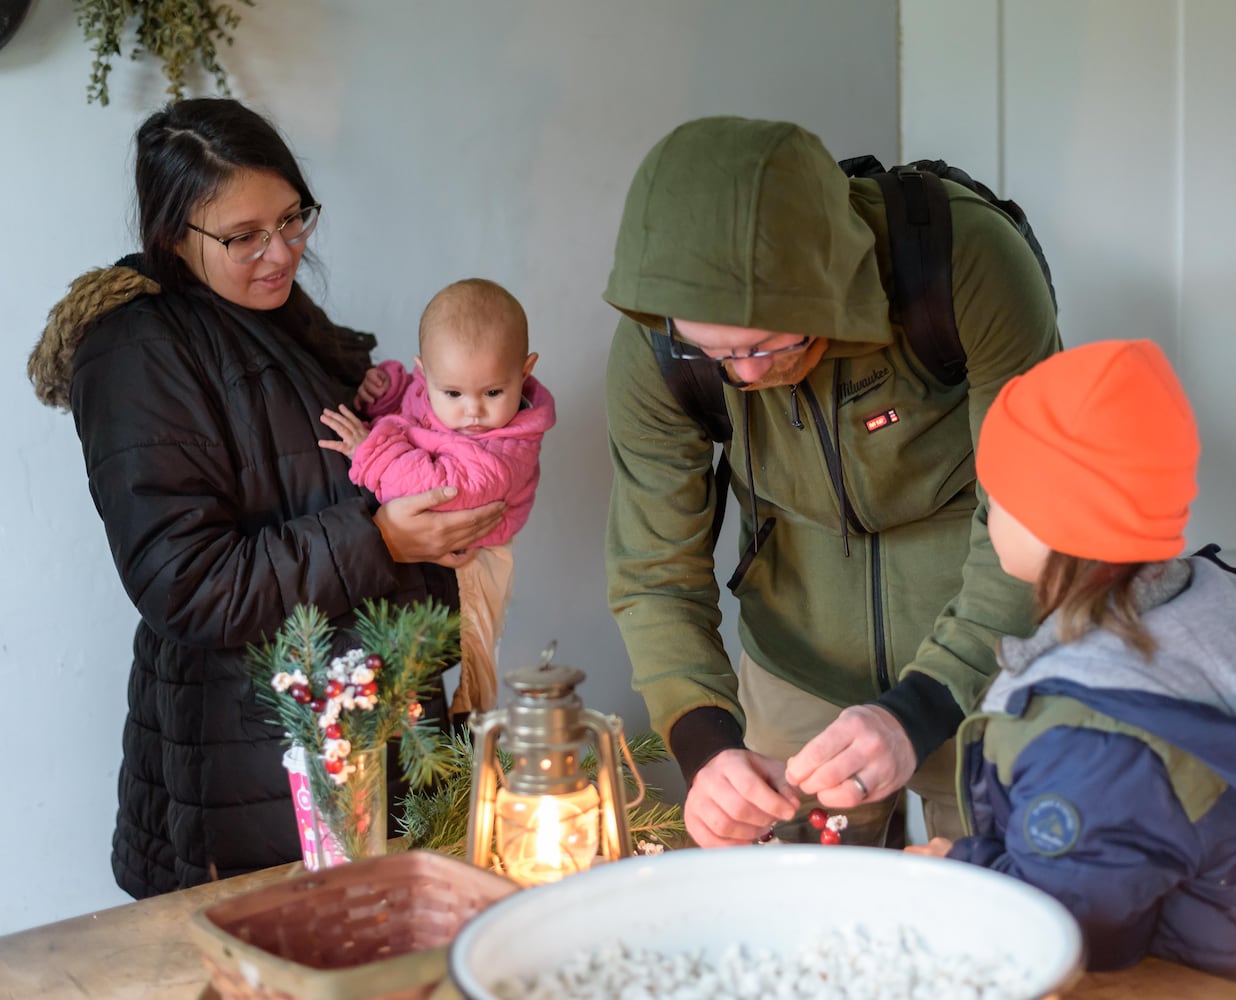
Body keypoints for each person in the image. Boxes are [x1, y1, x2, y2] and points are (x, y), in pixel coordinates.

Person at [25, 99, 504, 898]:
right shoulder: (138, 353)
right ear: (174, 234)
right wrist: (380, 540)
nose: (280, 253)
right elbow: (186, 583)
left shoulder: (282, 323)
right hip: (250, 770)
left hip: (362, 735)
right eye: (243, 236)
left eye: (293, 219)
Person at [602, 116, 1061, 849]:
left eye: (766, 343)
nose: (744, 373)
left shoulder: (967, 262)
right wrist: (706, 742)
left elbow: (1037, 509)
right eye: (714, 351)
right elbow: (655, 567)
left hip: (989, 649)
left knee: (995, 883)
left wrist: (922, 707)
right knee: (790, 920)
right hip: (794, 661)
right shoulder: (659, 345)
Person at [904, 339, 1236, 979]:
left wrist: (962, 873)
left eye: (995, 498)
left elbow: (1074, 930)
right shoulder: (1224, 597)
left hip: (1181, 984)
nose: (987, 515)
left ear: (1051, 523)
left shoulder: (1084, 737)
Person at [319, 278, 555, 716]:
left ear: (524, 372)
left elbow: (432, 492)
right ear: (425, 373)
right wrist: (385, 391)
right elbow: (411, 409)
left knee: (473, 667)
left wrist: (367, 449)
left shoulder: (503, 453)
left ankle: (474, 737)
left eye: (492, 393)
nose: (472, 412)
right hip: (426, 556)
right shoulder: (435, 391)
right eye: (452, 393)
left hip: (476, 564)